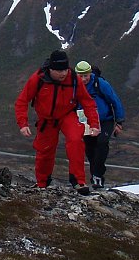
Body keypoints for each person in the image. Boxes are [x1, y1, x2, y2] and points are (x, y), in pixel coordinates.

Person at [14, 49, 100, 194]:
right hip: (47, 120)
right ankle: (42, 183)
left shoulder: (73, 78)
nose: (63, 74)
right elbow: (22, 101)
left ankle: (78, 181)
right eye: (59, 71)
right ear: (51, 69)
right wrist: (22, 123)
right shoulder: (38, 78)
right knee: (45, 150)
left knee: (75, 140)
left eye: (65, 70)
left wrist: (94, 124)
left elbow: (88, 102)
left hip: (67, 115)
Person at [75, 60, 125, 190]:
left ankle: (98, 175)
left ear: (90, 73)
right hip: (86, 121)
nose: (84, 79)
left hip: (105, 120)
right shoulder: (74, 86)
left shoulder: (100, 84)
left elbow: (115, 100)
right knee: (90, 149)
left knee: (102, 143)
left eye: (86, 75)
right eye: (81, 76)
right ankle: (95, 177)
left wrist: (119, 122)